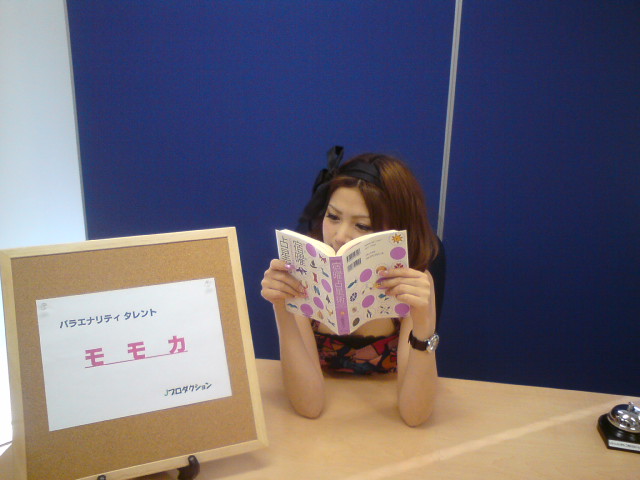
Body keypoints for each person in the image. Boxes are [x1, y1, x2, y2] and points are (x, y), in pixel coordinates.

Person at [261, 146, 445, 427]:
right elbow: (309, 405)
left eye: (363, 226)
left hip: (382, 414)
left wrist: (423, 325)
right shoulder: (305, 269)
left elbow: (415, 415)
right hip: (326, 419)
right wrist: (282, 309)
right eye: (333, 217)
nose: (340, 236)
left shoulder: (413, 280)